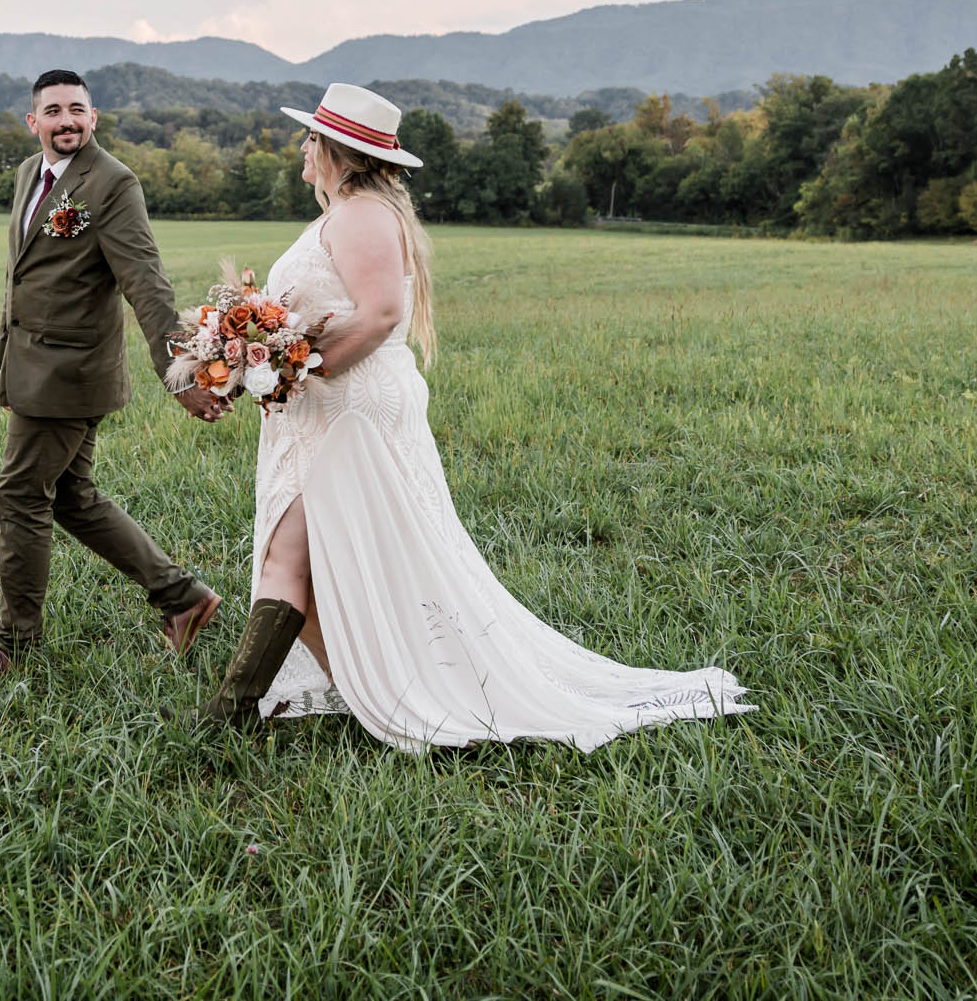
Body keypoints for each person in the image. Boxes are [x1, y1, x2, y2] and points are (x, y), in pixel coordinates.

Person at [198, 82, 751, 749]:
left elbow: (378, 314)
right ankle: (358, 682)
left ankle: (228, 716)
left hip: (348, 414)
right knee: (303, 560)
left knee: (286, 558)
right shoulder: (348, 212)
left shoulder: (362, 215)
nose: (303, 147)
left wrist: (300, 368)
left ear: (337, 150)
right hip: (324, 410)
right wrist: (266, 355)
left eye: (312, 137)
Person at [0, 70, 231, 686]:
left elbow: (145, 282)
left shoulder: (114, 184)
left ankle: (12, 652)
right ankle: (182, 597)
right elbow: (24, 276)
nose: (66, 120)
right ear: (33, 121)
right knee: (71, 497)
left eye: (77, 110)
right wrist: (3, 353)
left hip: (69, 372)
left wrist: (181, 373)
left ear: (93, 118)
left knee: (20, 497)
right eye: (53, 111)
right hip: (30, 363)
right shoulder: (28, 175)